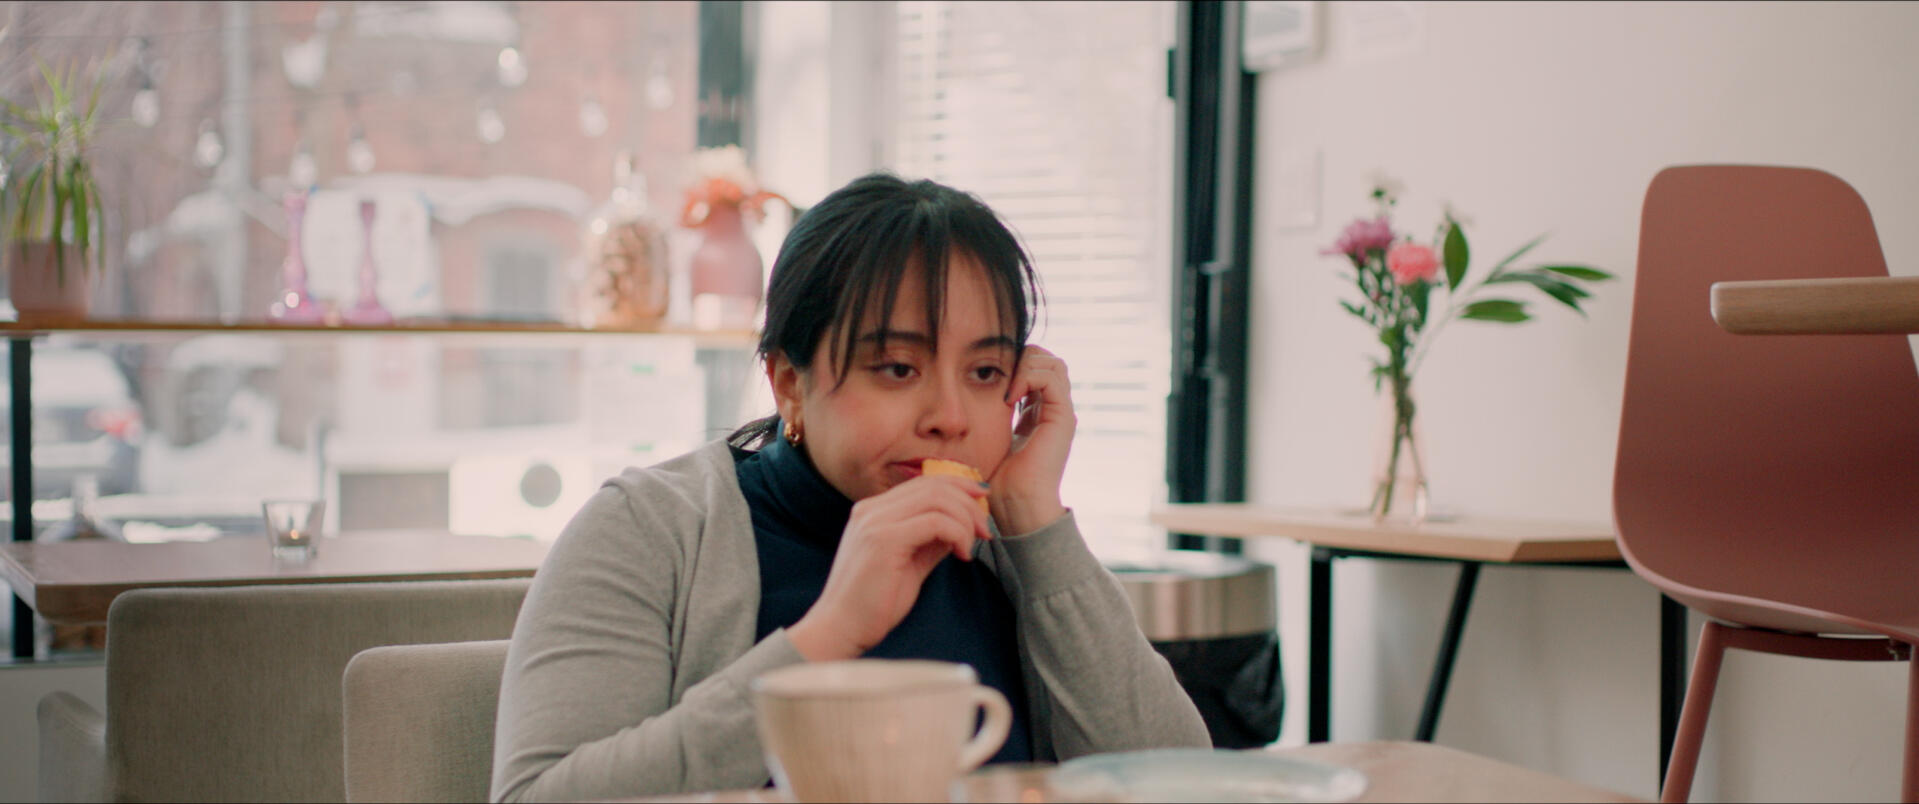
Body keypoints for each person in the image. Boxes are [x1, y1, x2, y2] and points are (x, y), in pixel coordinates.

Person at [490, 173, 1209, 803]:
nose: (950, 418)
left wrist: (1034, 520)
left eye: (985, 373)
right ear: (788, 384)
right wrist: (831, 633)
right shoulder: (651, 528)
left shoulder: (1007, 547)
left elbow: (1182, 785)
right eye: (897, 368)